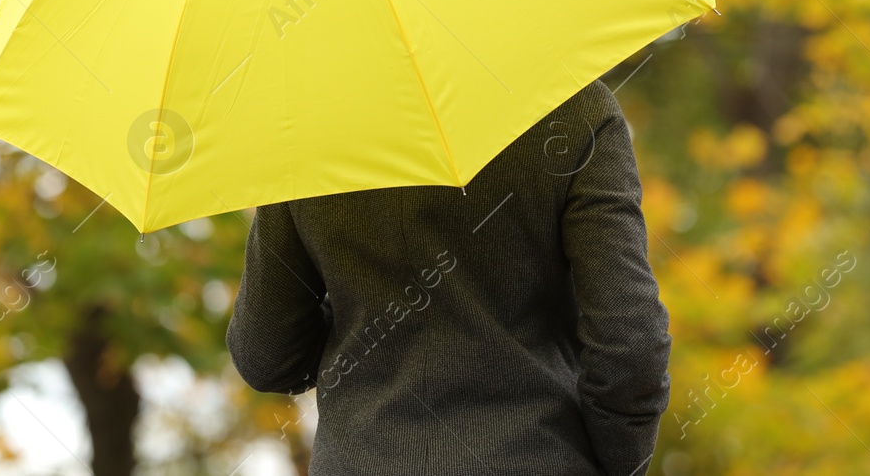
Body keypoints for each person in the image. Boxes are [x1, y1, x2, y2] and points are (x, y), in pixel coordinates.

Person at [226, 77, 671, 475]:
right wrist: (617, 463)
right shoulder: (575, 109)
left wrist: (357, 300)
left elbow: (267, 354)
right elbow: (630, 344)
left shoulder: (305, 136)